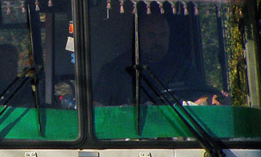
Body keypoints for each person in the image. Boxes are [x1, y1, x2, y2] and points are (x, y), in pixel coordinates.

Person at [94, 12, 225, 106]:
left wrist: (211, 100)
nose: (158, 42)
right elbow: (99, 112)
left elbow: (199, 98)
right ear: (137, 38)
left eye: (163, 35)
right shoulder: (114, 71)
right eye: (151, 35)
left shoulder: (181, 67)